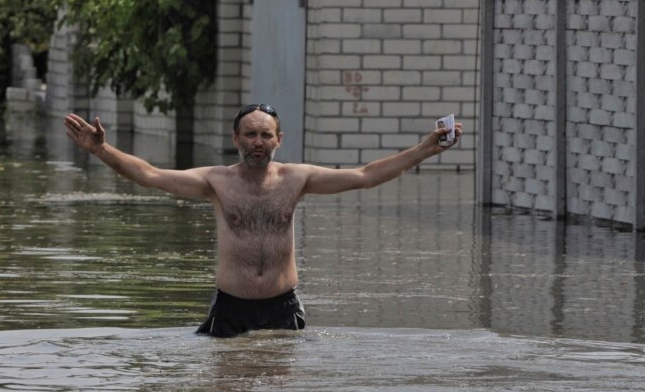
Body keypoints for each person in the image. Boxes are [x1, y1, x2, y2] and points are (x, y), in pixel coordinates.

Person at [64, 103, 463, 337]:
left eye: (266, 135)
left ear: (279, 140)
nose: (258, 143)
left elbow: (365, 176)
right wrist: (101, 150)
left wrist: (425, 149)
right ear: (236, 139)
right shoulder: (215, 181)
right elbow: (150, 175)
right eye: (250, 135)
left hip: (282, 307)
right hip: (230, 308)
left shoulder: (297, 179)